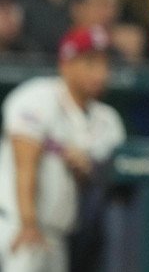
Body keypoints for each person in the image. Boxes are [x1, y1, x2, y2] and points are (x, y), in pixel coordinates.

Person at [0, 25, 126, 272]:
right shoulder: (37, 97)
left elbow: (104, 183)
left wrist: (86, 169)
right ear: (65, 64)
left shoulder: (108, 120)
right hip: (17, 225)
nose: (100, 73)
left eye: (105, 64)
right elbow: (24, 163)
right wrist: (27, 224)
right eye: (90, 63)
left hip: (58, 235)